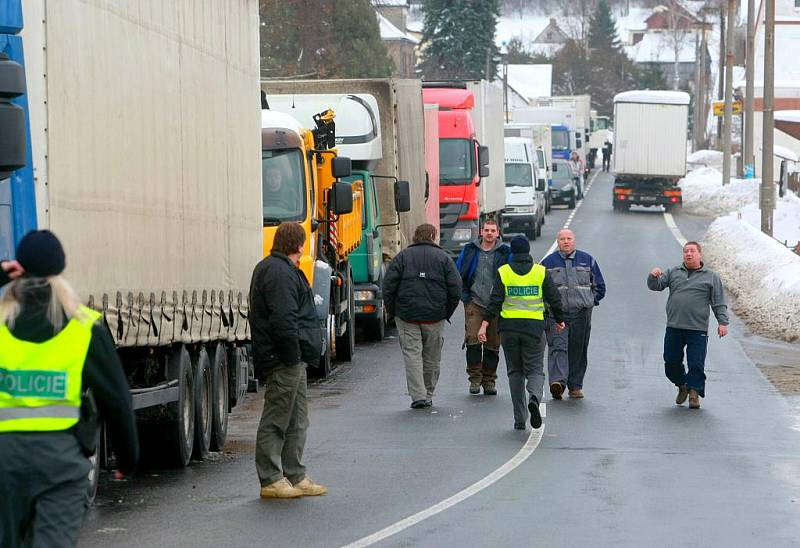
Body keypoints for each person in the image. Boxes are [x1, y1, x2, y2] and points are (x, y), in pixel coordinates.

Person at [0, 230, 138, 547]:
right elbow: (116, 400)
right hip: (60, 463)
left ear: (18, 268)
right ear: (60, 268)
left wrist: (1, 273)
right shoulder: (84, 326)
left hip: (4, 463)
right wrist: (127, 460)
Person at [249, 221, 327, 499]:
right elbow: (283, 319)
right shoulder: (279, 273)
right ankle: (271, 478)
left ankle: (295, 474)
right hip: (284, 358)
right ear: (299, 244)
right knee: (277, 417)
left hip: (292, 358)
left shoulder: (280, 269)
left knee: (296, 419)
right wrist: (293, 354)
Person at [478, 236, 565, 430]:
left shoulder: (504, 272)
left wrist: (484, 324)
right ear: (528, 252)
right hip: (534, 329)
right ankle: (534, 397)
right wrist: (560, 320)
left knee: (515, 372)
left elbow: (495, 300)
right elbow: (554, 298)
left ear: (513, 253)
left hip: (508, 330)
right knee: (534, 369)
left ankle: (519, 418)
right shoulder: (540, 272)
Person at [383, 223, 462, 409]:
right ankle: (428, 392)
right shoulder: (444, 258)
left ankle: (417, 396)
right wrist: (446, 312)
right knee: (432, 357)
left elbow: (388, 286)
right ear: (434, 236)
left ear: (415, 236)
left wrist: (393, 310)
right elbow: (456, 289)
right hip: (435, 316)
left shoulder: (402, 257)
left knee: (412, 355)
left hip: (407, 315)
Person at [647, 241, 729, 409]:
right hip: (674, 326)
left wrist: (722, 322)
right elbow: (656, 286)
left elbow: (718, 302)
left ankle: (694, 393)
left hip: (697, 329)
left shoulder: (711, 277)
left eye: (692, 251)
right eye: (686, 251)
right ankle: (682, 385)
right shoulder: (674, 272)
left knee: (696, 363)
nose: (689, 254)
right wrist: (653, 276)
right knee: (670, 361)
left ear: (700, 254)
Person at [542, 229, 605, 400]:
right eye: (562, 239)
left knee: (578, 350)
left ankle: (575, 386)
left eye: (569, 238)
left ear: (574, 241)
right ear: (558, 242)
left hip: (581, 314)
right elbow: (541, 290)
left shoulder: (588, 260)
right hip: (556, 315)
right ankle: (558, 383)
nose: (566, 242)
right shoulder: (547, 263)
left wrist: (589, 302)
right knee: (557, 347)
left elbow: (599, 287)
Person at [454, 219, 511, 396]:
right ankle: (475, 379)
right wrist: (463, 295)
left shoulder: (505, 252)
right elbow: (458, 271)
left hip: (495, 305)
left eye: (493, 230)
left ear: (498, 233)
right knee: (473, 340)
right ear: (481, 231)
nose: (489, 233)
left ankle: (489, 381)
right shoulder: (470, 249)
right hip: (474, 302)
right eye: (486, 230)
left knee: (493, 345)